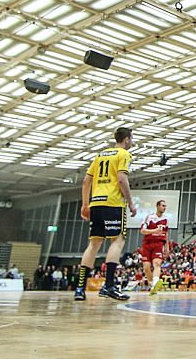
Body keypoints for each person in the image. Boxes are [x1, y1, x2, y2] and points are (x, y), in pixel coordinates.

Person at [75, 126, 137, 301]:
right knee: (117, 241)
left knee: (93, 244)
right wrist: (131, 202)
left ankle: (80, 288)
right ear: (126, 140)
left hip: (96, 203)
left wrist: (85, 204)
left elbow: (86, 181)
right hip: (113, 203)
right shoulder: (124, 155)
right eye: (131, 139)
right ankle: (109, 285)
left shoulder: (100, 155)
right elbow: (121, 179)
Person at [140, 199, 170, 295]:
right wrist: (154, 231)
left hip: (158, 244)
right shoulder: (149, 217)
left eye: (165, 206)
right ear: (157, 206)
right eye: (163, 206)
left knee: (157, 263)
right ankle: (152, 283)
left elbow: (166, 234)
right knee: (146, 267)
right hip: (147, 243)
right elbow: (143, 231)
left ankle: (155, 283)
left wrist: (167, 247)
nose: (164, 208)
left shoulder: (165, 220)